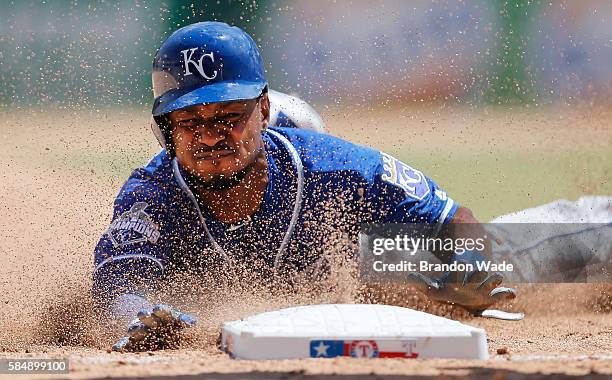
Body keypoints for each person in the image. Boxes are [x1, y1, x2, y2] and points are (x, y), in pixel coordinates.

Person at [93, 22, 516, 352]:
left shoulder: (332, 165)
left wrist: (460, 261)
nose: (208, 136)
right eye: (189, 122)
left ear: (262, 109)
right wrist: (135, 314)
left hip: (355, 258)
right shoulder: (153, 195)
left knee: (503, 256)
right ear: (163, 129)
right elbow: (117, 286)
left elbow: (452, 218)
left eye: (228, 116)